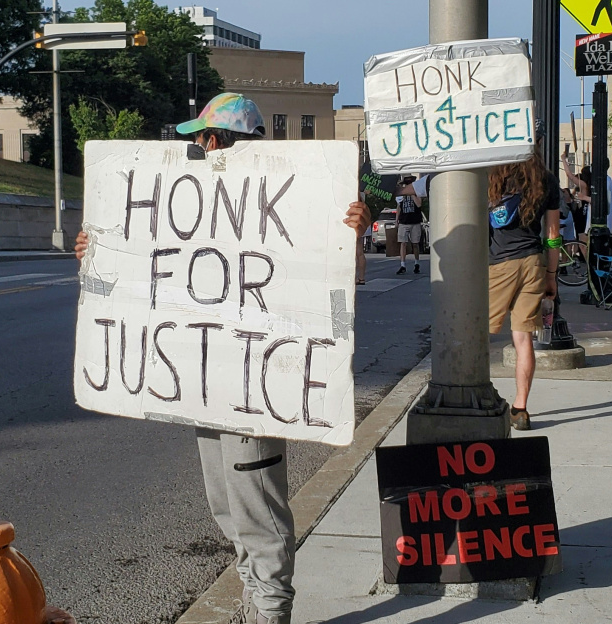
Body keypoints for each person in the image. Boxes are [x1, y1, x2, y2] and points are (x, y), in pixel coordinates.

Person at [75, 92, 369, 624]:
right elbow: (144, 276)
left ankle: (269, 613)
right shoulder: (192, 206)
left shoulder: (291, 200)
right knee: (227, 508)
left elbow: (342, 284)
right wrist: (101, 249)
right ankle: (253, 604)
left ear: (213, 142)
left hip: (256, 390)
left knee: (257, 511)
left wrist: (351, 235)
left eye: (198, 139)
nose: (193, 147)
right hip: (207, 388)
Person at [487, 150, 560, 431]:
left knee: (480, 334)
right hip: (533, 262)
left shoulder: (493, 177)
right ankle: (520, 409)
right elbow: (552, 236)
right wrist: (551, 275)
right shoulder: (546, 180)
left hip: (500, 263)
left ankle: (477, 395)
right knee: (523, 339)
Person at [394, 176, 423, 274]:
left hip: (415, 221)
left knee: (415, 244)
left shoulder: (417, 193)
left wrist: (412, 194)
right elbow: (399, 207)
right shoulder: (401, 195)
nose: (406, 186)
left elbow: (419, 204)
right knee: (403, 243)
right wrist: (396, 220)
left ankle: (416, 263)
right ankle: (402, 265)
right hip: (403, 221)